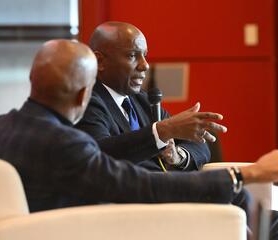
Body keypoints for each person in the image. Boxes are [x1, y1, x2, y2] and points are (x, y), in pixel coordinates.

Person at [0, 39, 278, 239]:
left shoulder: (5, 127)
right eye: (132, 55)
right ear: (82, 94)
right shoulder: (62, 143)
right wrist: (245, 173)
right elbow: (139, 185)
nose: (144, 65)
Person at [76, 21, 212, 172]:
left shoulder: (143, 100)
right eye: (132, 55)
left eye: (145, 55)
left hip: (160, 189)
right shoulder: (86, 100)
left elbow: (199, 144)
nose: (145, 65)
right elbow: (100, 155)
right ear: (100, 61)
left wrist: (178, 156)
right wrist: (161, 132)